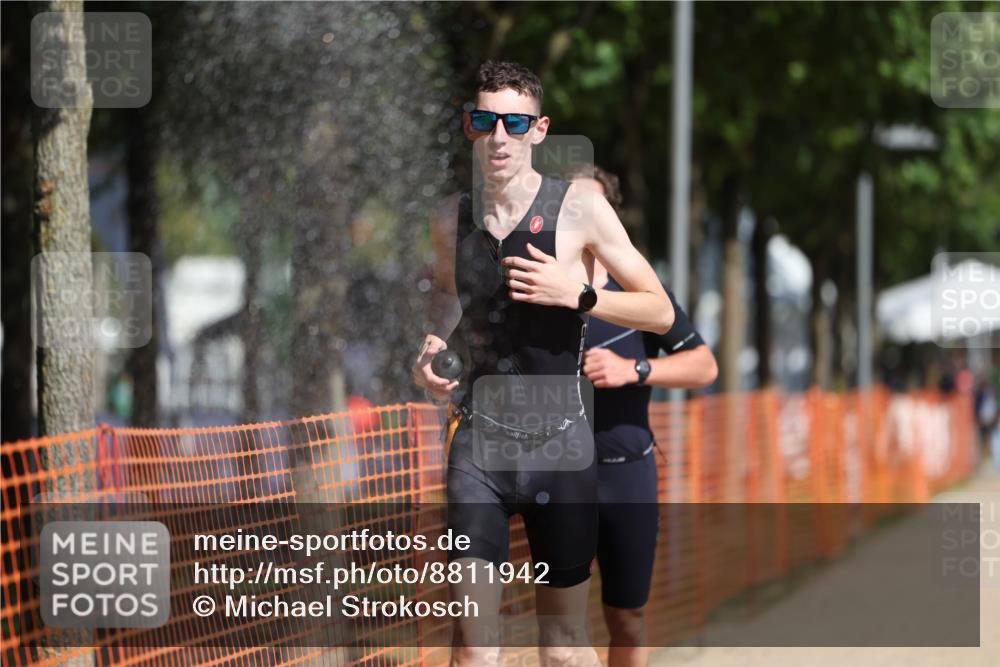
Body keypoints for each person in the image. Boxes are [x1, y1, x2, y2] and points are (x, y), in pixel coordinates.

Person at [411, 61, 675, 667]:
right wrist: (430, 346)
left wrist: (576, 294)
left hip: (561, 448)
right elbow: (446, 295)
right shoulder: (448, 217)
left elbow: (659, 311)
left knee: (562, 648)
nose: (499, 136)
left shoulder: (579, 207)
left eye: (514, 122)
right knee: (477, 652)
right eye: (485, 121)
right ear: (469, 128)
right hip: (478, 446)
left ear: (538, 130)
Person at [569, 165, 718, 667]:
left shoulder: (642, 296)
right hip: (558, 478)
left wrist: (635, 368)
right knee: (560, 623)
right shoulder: (540, 289)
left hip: (627, 474)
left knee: (626, 619)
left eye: (594, 207)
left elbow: (704, 365)